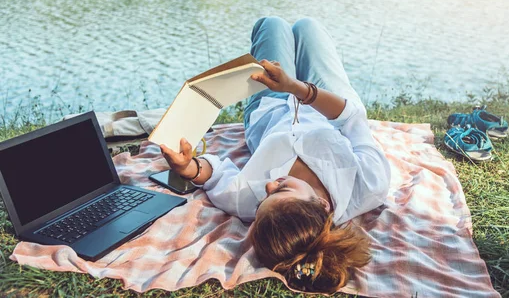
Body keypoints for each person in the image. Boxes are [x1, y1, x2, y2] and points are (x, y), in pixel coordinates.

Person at [160, 17, 391, 293]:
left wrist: (189, 168)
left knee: (271, 25)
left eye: (263, 200)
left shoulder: (250, 204)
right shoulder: (368, 184)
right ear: (321, 203)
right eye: (281, 189)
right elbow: (353, 119)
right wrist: (296, 87)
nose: (268, 186)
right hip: (328, 101)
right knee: (308, 28)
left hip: (270, 107)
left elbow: (217, 175)